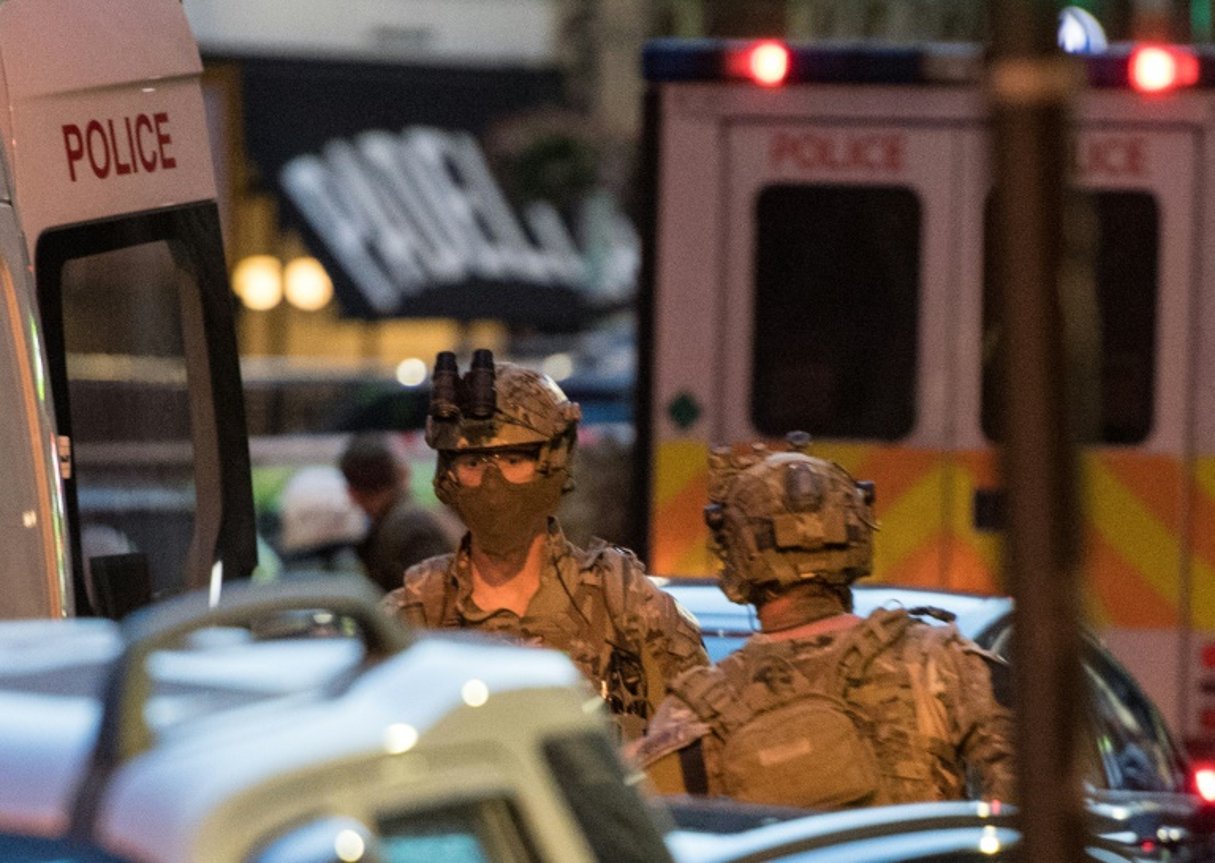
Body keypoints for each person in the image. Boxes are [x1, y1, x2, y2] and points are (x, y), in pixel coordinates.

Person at [630, 434, 1015, 808]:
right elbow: (1030, 799)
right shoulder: (943, 664)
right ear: (857, 537)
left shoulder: (694, 712)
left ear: (736, 559)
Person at [379, 349, 708, 740]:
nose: (492, 484)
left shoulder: (626, 607)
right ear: (448, 475)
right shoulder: (411, 619)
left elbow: (700, 750)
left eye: (513, 462)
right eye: (472, 464)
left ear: (552, 464)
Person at [338, 432, 456, 594]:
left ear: (352, 493)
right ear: (401, 473)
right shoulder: (403, 521)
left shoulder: (408, 527)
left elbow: (435, 603)